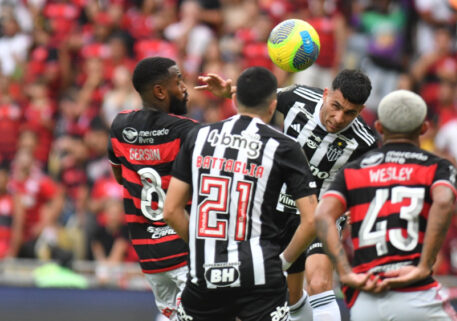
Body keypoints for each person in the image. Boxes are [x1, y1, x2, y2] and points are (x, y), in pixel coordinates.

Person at [196, 68, 377, 321]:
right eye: (335, 106)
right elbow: (258, 100)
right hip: (276, 207)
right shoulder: (296, 97)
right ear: (326, 93)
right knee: (291, 297)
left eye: (350, 113)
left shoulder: (366, 142)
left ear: (361, 111)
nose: (338, 118)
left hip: (321, 211)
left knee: (319, 282)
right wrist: (228, 92)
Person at [163, 66, 318, 321]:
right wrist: (283, 263)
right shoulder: (285, 147)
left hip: (205, 273)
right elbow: (311, 220)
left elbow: (170, 210)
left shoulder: (197, 136)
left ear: (234, 100)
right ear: (273, 105)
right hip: (261, 273)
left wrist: (202, 246)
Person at [315, 90, 457, 321]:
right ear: (424, 128)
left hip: (366, 296)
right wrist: (424, 265)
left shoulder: (353, 170)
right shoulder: (438, 167)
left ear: (379, 128)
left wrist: (345, 273)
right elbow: (443, 202)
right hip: (415, 291)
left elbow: (322, 214)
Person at [107, 56, 198, 320]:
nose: (184, 87)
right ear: (160, 91)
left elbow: (119, 176)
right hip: (186, 252)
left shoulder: (120, 126)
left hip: (150, 257)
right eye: (178, 81)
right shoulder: (188, 131)